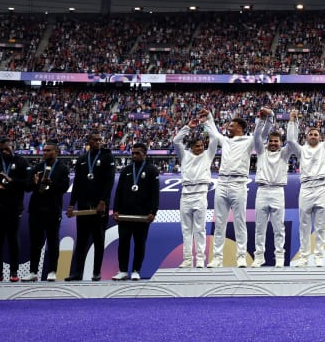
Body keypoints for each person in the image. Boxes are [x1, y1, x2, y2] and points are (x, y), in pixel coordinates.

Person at [204, 111, 256, 268]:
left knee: (240, 222)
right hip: (222, 182)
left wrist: (266, 117)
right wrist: (208, 117)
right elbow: (212, 132)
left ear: (239, 128)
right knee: (219, 223)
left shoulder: (249, 141)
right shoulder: (226, 141)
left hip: (239, 184)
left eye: (231, 125)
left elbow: (262, 133)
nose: (228, 127)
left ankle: (241, 257)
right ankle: (217, 258)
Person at [251, 107, 299, 268]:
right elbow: (257, 135)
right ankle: (259, 257)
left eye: (276, 141)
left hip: (278, 191)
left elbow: (292, 141)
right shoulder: (261, 152)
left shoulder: (284, 154)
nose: (273, 143)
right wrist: (265, 118)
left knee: (279, 228)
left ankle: (279, 257)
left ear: (280, 143)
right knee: (260, 228)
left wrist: (293, 121)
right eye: (271, 141)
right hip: (262, 191)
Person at [172, 111, 219, 268]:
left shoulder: (208, 155)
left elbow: (215, 139)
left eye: (201, 146)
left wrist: (207, 122)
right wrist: (187, 127)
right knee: (186, 230)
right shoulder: (184, 156)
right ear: (191, 146)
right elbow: (176, 141)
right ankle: (187, 259)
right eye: (196, 146)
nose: (200, 148)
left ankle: (200, 259)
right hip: (185, 195)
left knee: (200, 229)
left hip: (200, 195)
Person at [66, 131, 115, 281]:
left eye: (100, 139)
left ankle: (96, 272)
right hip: (83, 206)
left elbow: (109, 182)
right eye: (95, 139)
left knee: (99, 240)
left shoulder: (107, 157)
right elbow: (77, 184)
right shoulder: (82, 159)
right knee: (81, 240)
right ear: (89, 141)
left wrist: (103, 201)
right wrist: (71, 204)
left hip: (98, 206)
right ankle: (77, 273)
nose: (98, 142)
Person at [111, 142, 160, 280]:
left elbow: (155, 193)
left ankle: (136, 270)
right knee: (123, 243)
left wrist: (153, 212)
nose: (134, 155)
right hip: (125, 214)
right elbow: (119, 191)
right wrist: (116, 209)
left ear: (144, 154)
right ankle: (122, 270)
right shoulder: (126, 170)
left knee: (139, 243)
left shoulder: (152, 170)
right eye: (132, 153)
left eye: (137, 153)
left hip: (142, 215)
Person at [289, 111, 325, 268]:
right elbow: (290, 140)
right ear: (306, 137)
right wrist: (292, 121)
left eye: (316, 134)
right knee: (304, 226)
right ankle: (305, 257)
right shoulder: (302, 150)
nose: (313, 136)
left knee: (320, 226)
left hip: (321, 187)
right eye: (310, 134)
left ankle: (319, 256)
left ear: (320, 137)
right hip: (306, 188)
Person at [0, 138, 29, 282]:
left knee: (13, 239)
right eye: (1, 149)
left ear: (12, 146)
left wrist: (12, 181)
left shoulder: (21, 162)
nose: (4, 151)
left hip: (14, 207)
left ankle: (14, 272)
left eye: (6, 148)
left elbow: (27, 185)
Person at [25, 139, 71, 281]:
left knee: (53, 242)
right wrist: (34, 182)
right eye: (43, 150)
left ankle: (52, 271)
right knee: (35, 242)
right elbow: (27, 187)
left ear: (56, 152)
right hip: (36, 209)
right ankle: (33, 272)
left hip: (53, 209)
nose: (44, 153)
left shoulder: (63, 169)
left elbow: (63, 188)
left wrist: (52, 183)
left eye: (47, 150)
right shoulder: (37, 167)